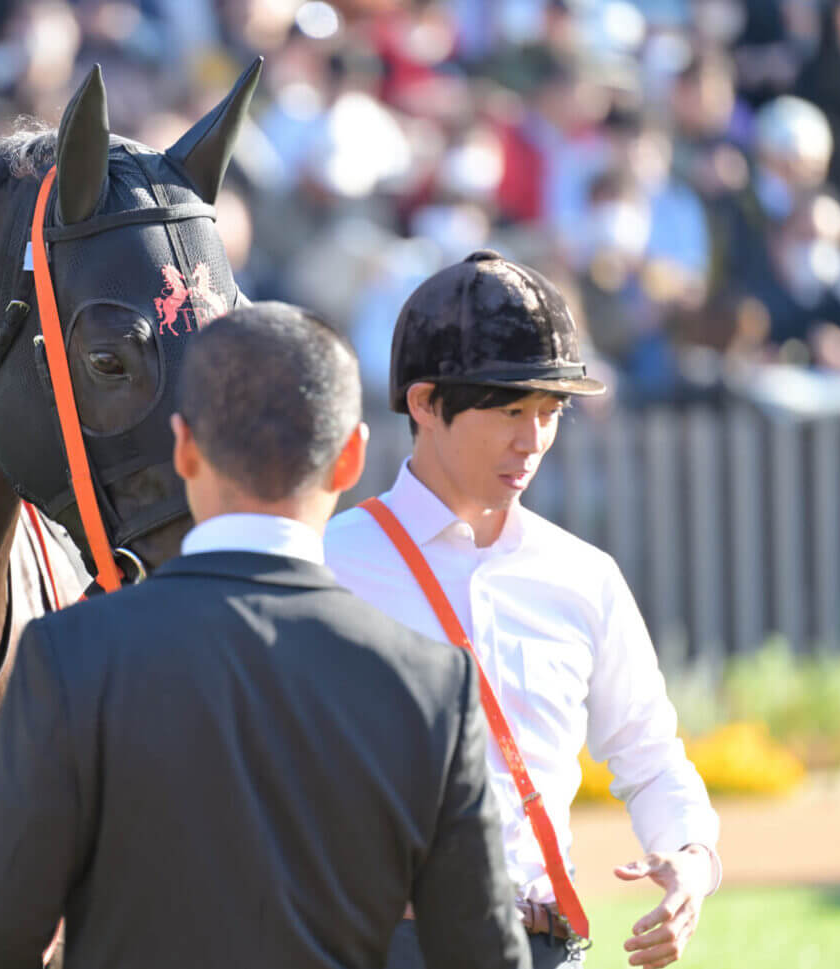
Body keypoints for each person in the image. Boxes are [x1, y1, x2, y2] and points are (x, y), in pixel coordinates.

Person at [0, 302, 530, 969]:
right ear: (350, 457)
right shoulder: (431, 685)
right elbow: (483, 954)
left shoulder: (71, 656)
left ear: (184, 446)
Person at [325, 250, 722, 969]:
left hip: (543, 947)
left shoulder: (584, 575)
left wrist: (692, 862)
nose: (533, 439)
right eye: (511, 409)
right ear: (423, 402)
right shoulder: (324, 565)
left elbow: (652, 756)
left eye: (550, 411)